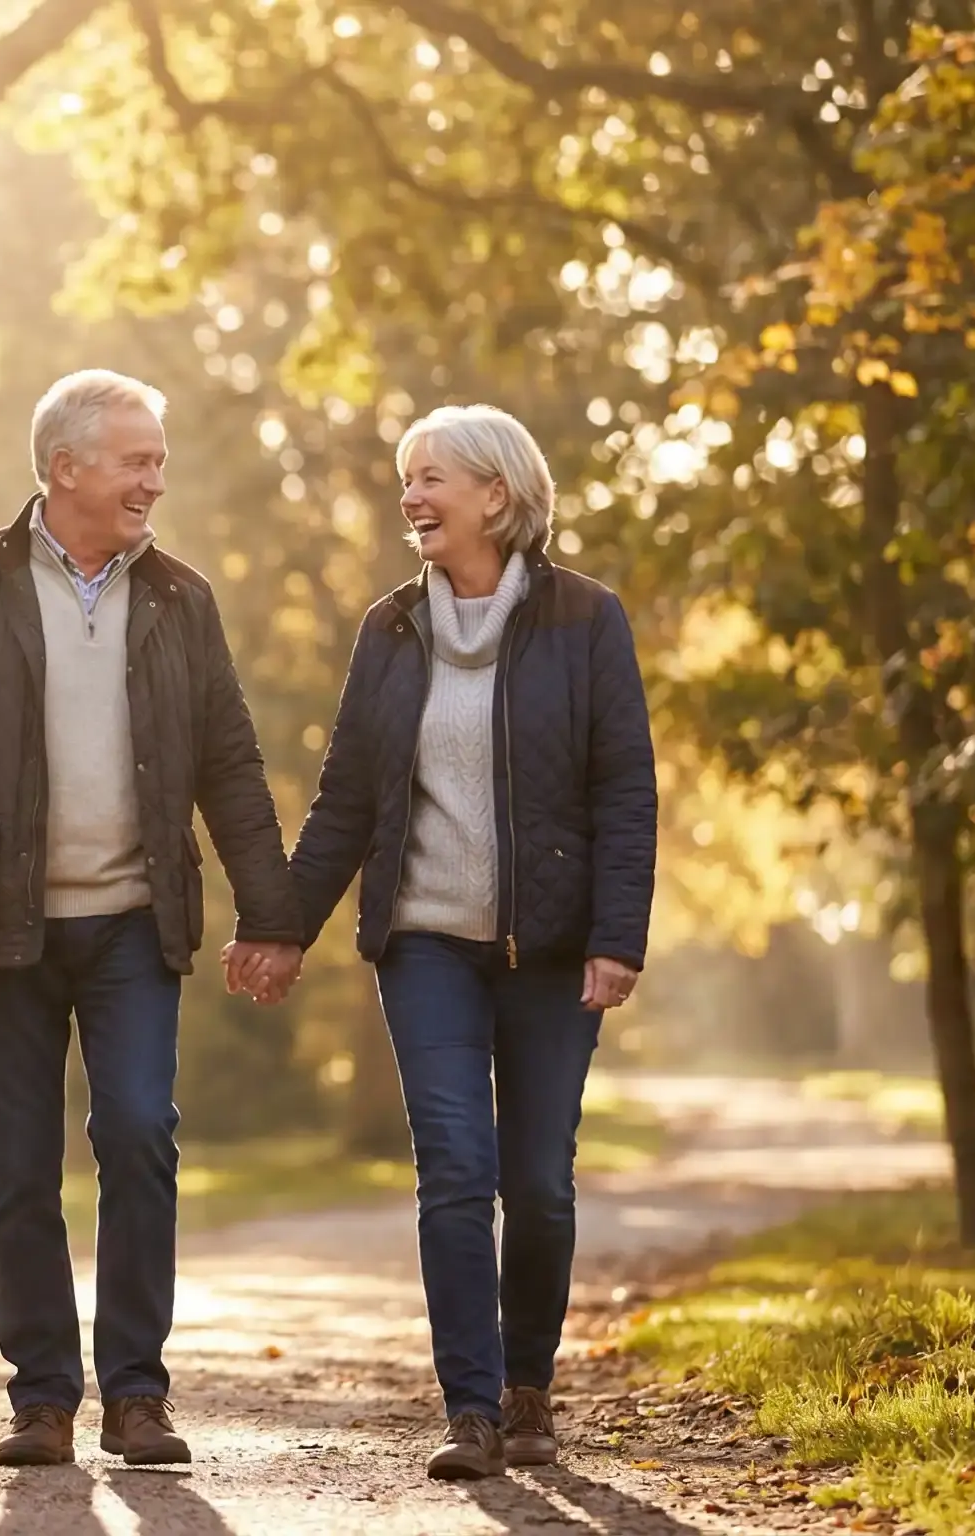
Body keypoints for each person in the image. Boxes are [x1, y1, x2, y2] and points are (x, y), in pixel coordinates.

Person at [0, 369, 305, 1467]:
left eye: (157, 461)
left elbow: (230, 763)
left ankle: (136, 1395)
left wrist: (273, 914)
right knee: (18, 1165)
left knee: (138, 1135)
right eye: (137, 460)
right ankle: (42, 1399)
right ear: (64, 468)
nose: (156, 481)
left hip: (130, 922)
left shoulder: (179, 598)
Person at [272, 403, 656, 1480]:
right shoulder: (389, 628)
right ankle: (472, 1408)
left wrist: (615, 938)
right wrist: (282, 930)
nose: (412, 498)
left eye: (430, 477)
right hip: (425, 942)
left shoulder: (586, 619)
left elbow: (624, 789)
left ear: (496, 493)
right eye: (407, 479)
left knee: (536, 1180)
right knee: (453, 1166)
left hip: (550, 948)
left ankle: (529, 1382)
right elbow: (345, 796)